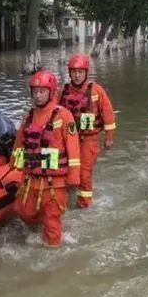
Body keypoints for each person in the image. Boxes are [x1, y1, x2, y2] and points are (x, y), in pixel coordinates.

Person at [11, 70, 80, 247]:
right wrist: (14, 165)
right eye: (35, 92)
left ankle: (53, 253)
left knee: (51, 221)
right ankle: (40, 231)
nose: (38, 95)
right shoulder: (28, 117)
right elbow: (20, 144)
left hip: (53, 182)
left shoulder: (63, 115)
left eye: (42, 91)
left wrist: (74, 176)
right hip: (31, 178)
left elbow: (73, 147)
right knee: (23, 211)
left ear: (51, 92)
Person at [56, 53, 116, 208]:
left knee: (84, 174)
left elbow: (108, 115)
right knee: (63, 172)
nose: (77, 75)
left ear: (86, 72)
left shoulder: (96, 91)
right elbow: (52, 114)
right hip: (67, 140)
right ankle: (62, 203)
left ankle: (85, 206)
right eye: (74, 72)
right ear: (69, 73)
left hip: (87, 139)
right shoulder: (62, 92)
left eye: (80, 72)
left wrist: (109, 137)